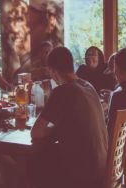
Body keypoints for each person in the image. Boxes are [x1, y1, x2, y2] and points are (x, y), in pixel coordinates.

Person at [30, 47, 108, 188]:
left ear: (52, 70)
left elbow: (36, 132)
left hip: (84, 174)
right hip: (103, 166)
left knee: (33, 165)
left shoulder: (62, 91)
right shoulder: (88, 85)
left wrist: (55, 130)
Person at [1, 0, 63, 82]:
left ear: (50, 22)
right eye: (9, 20)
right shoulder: (22, 68)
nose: (12, 28)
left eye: (19, 19)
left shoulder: (52, 64)